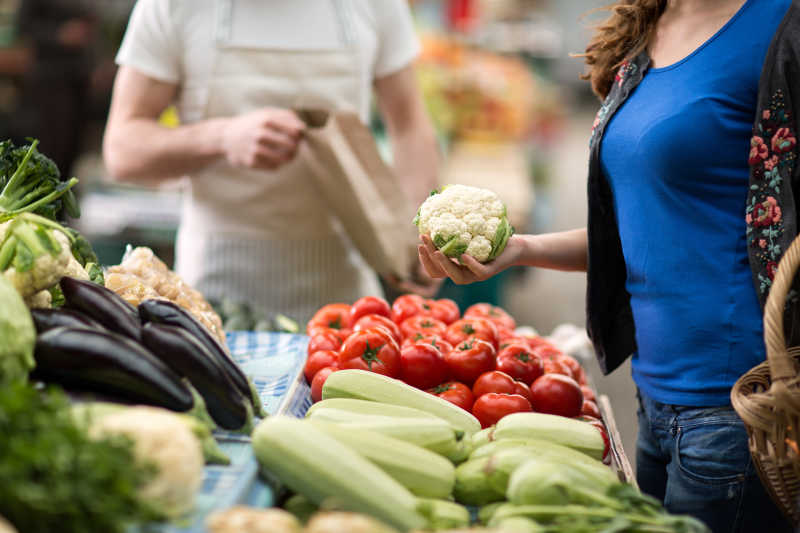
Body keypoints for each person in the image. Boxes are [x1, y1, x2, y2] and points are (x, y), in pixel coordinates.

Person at [419, 0, 800, 531]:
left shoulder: (781, 27)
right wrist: (521, 250)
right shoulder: (649, 29)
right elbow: (640, 236)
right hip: (654, 401)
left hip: (737, 408)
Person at [103, 0, 440, 322]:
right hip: (214, 295)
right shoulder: (173, 6)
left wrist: (416, 236)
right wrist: (222, 137)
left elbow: (409, 125)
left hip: (346, 292)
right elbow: (122, 150)